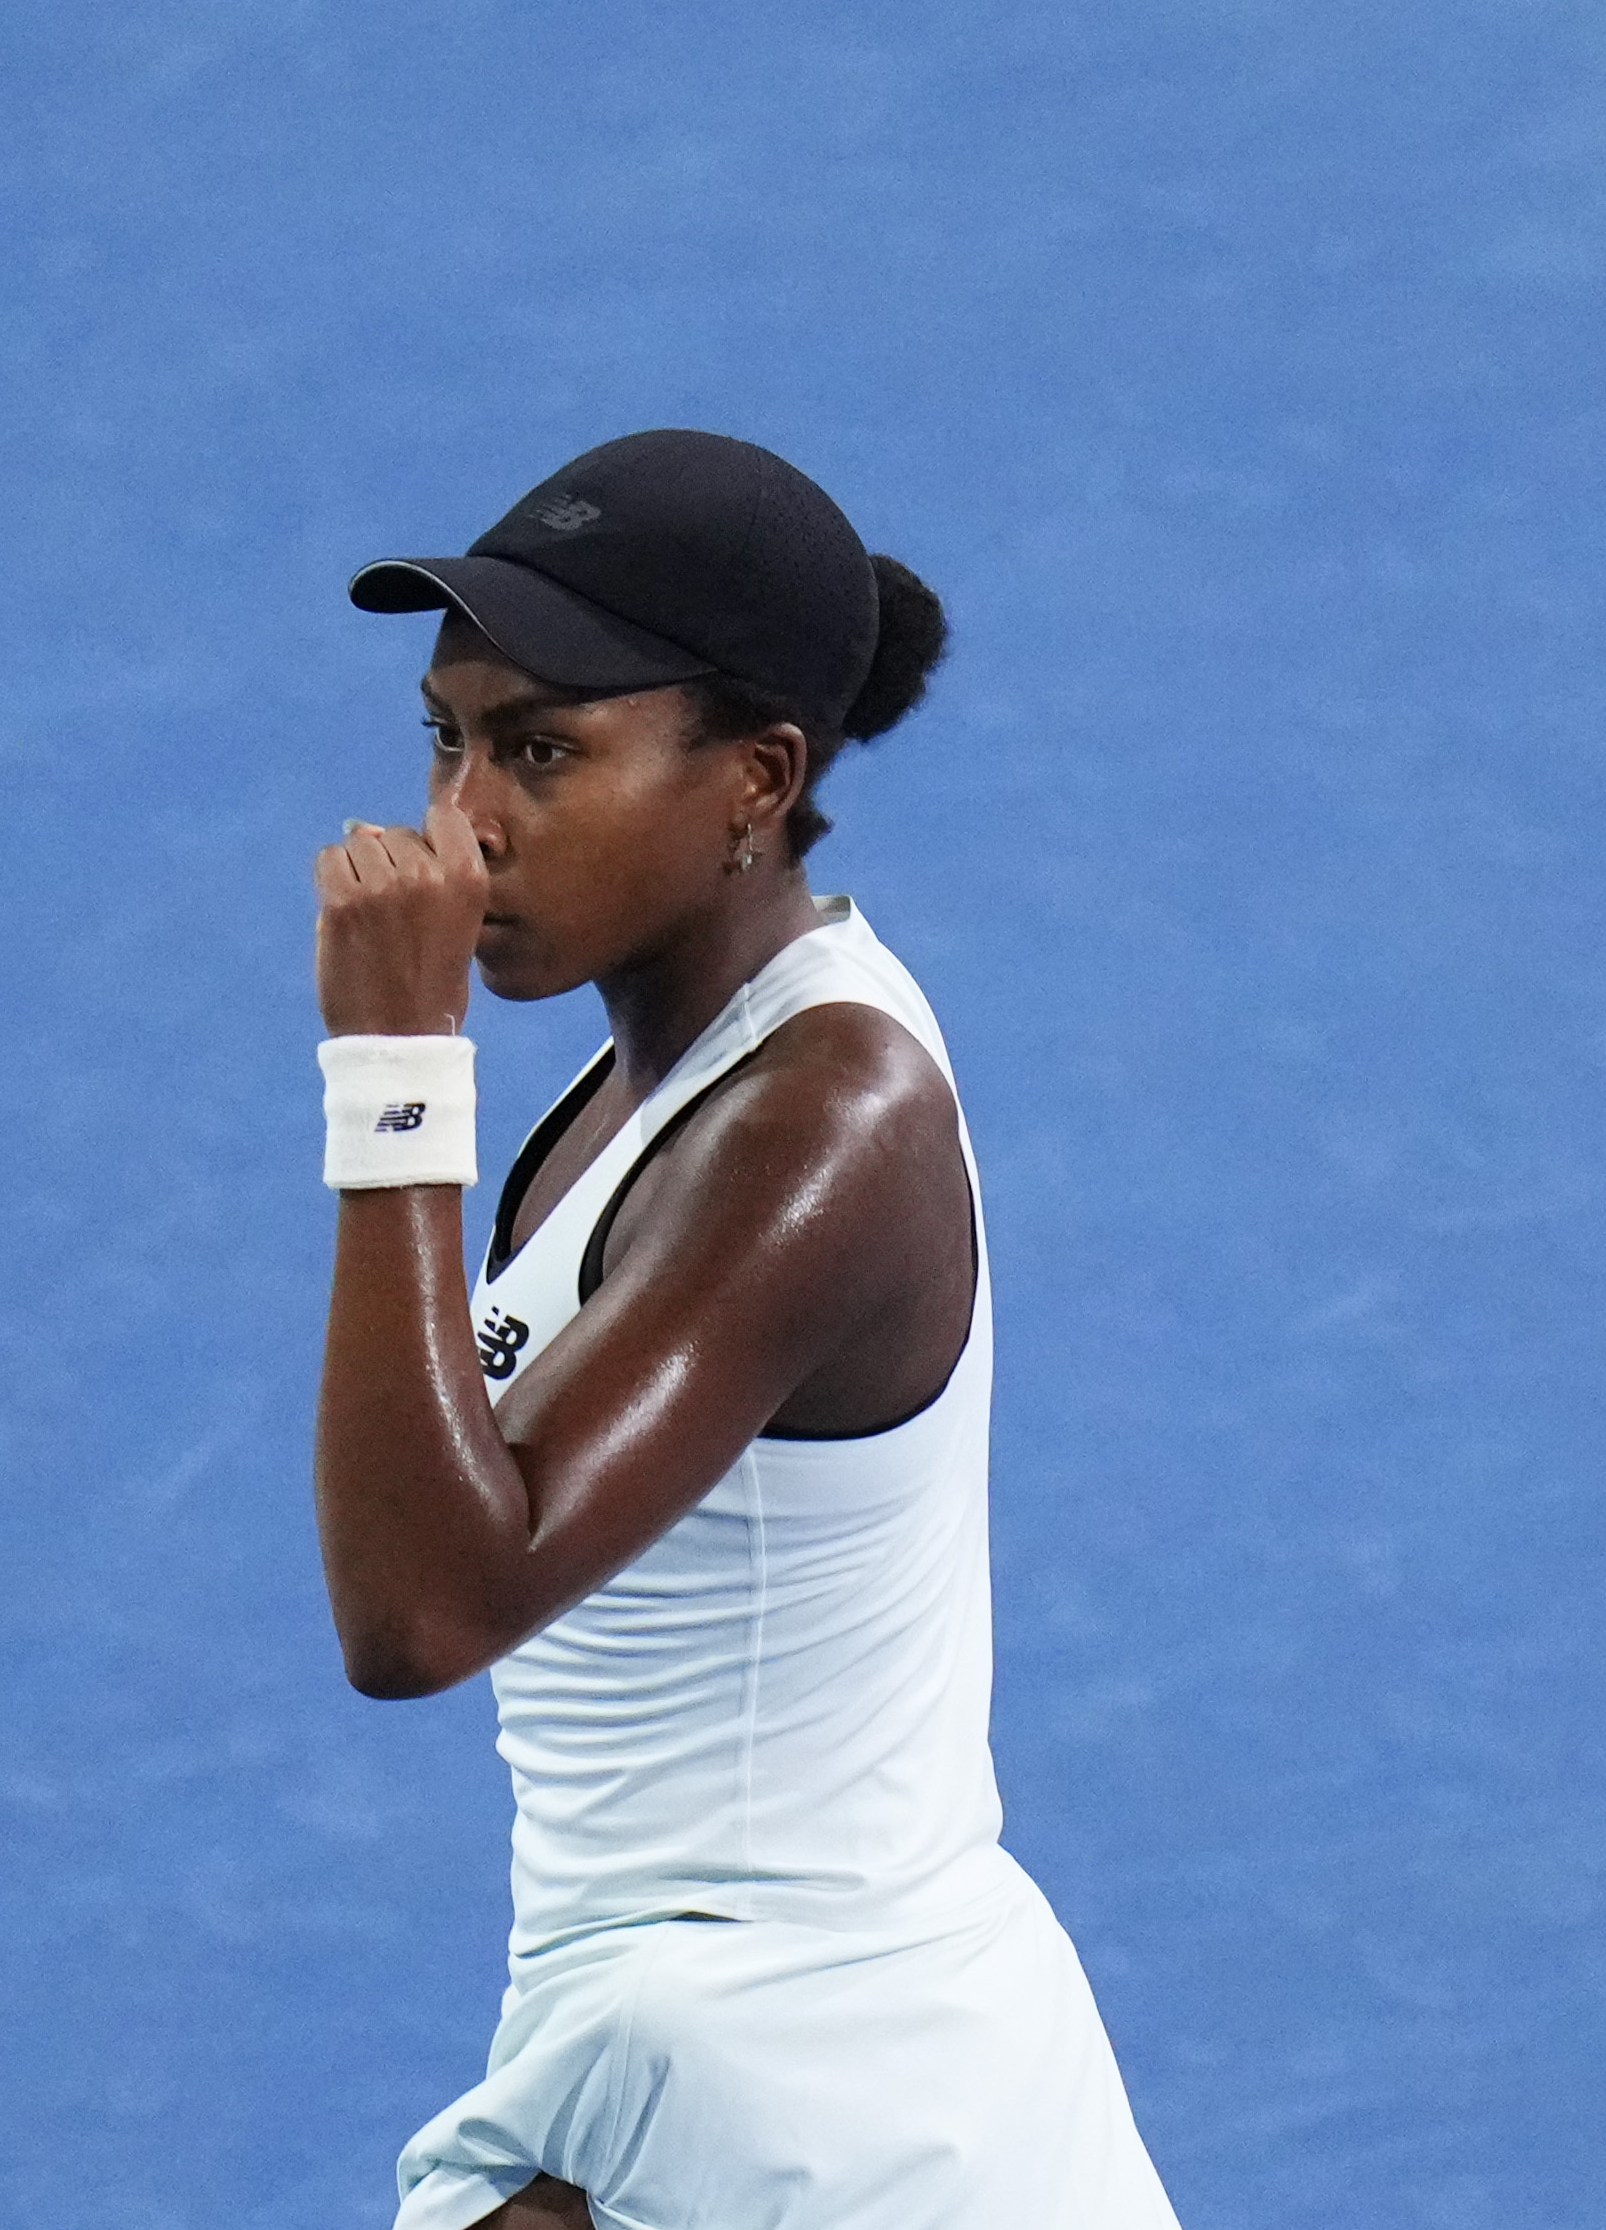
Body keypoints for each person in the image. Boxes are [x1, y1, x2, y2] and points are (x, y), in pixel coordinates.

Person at [307, 430, 1182, 2229]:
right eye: (446, 737)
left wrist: (392, 1083)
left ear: (754, 779)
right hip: (702, 2056)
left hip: (834, 2111)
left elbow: (422, 1611)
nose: (458, 819)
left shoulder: (822, 1120)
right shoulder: (641, 1085)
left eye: (542, 749)